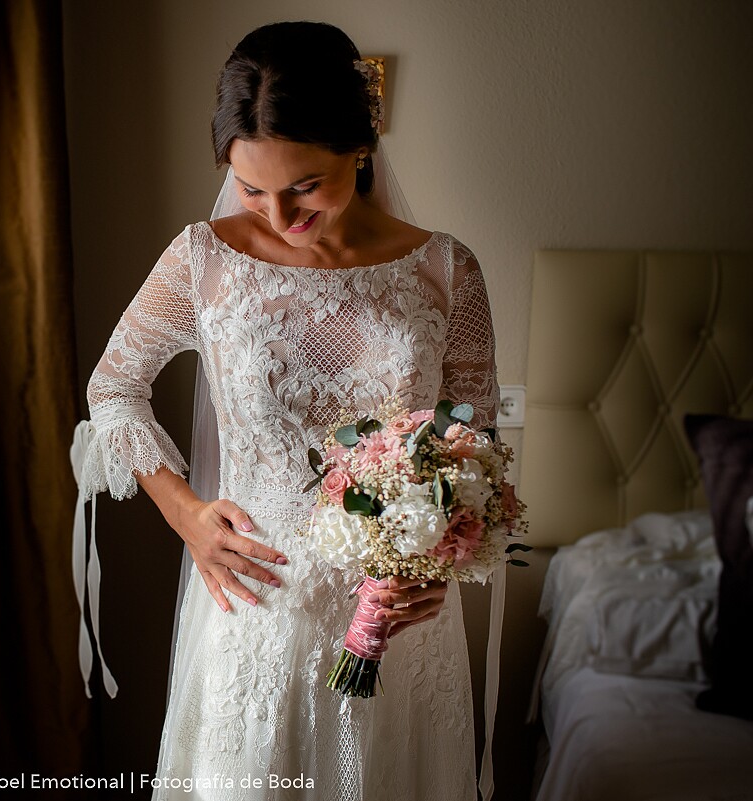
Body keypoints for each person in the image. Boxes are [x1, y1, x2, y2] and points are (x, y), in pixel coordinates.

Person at [71, 20, 499, 801]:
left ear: (361, 146)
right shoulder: (203, 259)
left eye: (305, 184)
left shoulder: (447, 270)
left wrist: (442, 560)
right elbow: (113, 386)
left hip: (401, 627)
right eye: (253, 187)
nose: (279, 214)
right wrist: (187, 514)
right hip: (256, 611)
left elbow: (473, 438)